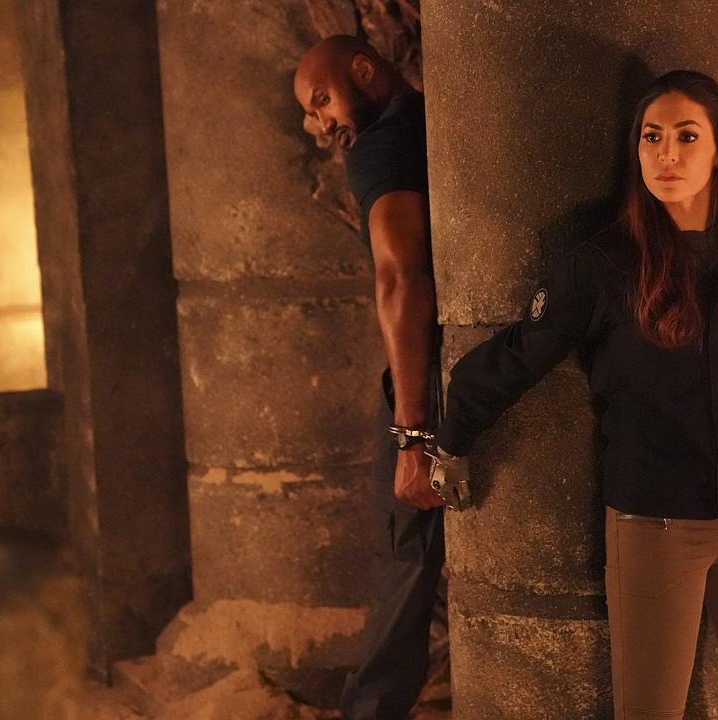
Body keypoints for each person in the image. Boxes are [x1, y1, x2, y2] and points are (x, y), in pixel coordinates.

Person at [428, 70, 718, 719]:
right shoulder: (602, 264)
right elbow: (520, 354)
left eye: (687, 136)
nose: (667, 154)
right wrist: (451, 438)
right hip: (657, 528)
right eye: (652, 137)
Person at [293, 35, 445, 720]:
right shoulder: (433, 125)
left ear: (364, 70)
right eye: (312, 114)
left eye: (323, 100)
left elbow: (401, 278)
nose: (323, 124)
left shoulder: (381, 149)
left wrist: (413, 435)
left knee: (402, 565)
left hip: (429, 386)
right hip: (482, 366)